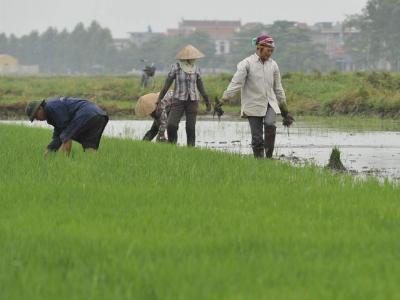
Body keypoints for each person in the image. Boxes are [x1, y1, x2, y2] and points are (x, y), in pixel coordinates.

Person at [218, 34, 294, 158]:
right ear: (259, 48)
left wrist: (284, 109)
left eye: (272, 51)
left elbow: (278, 88)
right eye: (268, 50)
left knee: (270, 125)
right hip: (253, 104)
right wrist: (224, 98)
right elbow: (236, 82)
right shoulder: (246, 64)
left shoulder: (273, 65)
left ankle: (269, 158)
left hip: (270, 103)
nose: (270, 54)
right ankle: (259, 161)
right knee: (257, 137)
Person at [156, 44, 211, 147]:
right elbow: (166, 84)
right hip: (178, 100)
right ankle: (172, 145)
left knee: (190, 127)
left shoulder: (196, 69)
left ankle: (190, 148)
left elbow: (201, 86)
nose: (192, 59)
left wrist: (207, 101)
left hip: (193, 101)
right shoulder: (176, 67)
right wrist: (159, 99)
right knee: (171, 125)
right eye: (190, 57)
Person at [25, 96, 109, 155]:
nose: (37, 119)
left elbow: (66, 135)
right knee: (90, 146)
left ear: (40, 108)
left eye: (36, 116)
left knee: (66, 136)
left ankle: (64, 163)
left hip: (86, 114)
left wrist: (63, 163)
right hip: (99, 115)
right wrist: (49, 151)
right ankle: (93, 167)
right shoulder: (51, 111)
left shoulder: (51, 107)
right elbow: (58, 136)